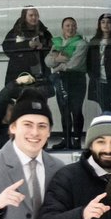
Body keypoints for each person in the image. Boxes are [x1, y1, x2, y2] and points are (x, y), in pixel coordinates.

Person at [45, 16, 89, 150]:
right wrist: (59, 59)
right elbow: (48, 61)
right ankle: (66, 140)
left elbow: (74, 64)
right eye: (67, 26)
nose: (70, 28)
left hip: (76, 79)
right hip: (61, 79)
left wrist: (57, 64)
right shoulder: (57, 43)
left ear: (76, 27)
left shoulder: (81, 43)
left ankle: (76, 140)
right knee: (64, 111)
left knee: (76, 110)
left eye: (72, 25)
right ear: (62, 28)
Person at [1, 7, 53, 88]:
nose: (34, 17)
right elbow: (7, 48)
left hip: (39, 72)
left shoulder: (44, 32)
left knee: (39, 97)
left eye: (36, 15)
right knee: (20, 98)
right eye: (31, 15)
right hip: (19, 72)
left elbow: (53, 47)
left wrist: (42, 46)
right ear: (24, 17)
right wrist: (27, 45)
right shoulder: (16, 32)